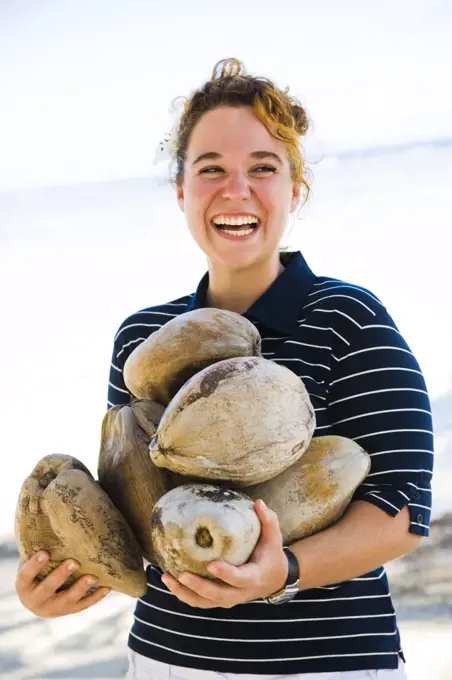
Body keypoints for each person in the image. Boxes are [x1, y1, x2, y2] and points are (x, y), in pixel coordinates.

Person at [16, 58, 434, 679]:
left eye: (262, 168)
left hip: (322, 663)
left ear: (296, 189)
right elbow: (130, 509)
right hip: (167, 660)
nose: (235, 190)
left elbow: (401, 508)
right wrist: (53, 583)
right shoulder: (141, 340)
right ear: (182, 191)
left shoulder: (349, 317)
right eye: (211, 170)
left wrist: (281, 573)